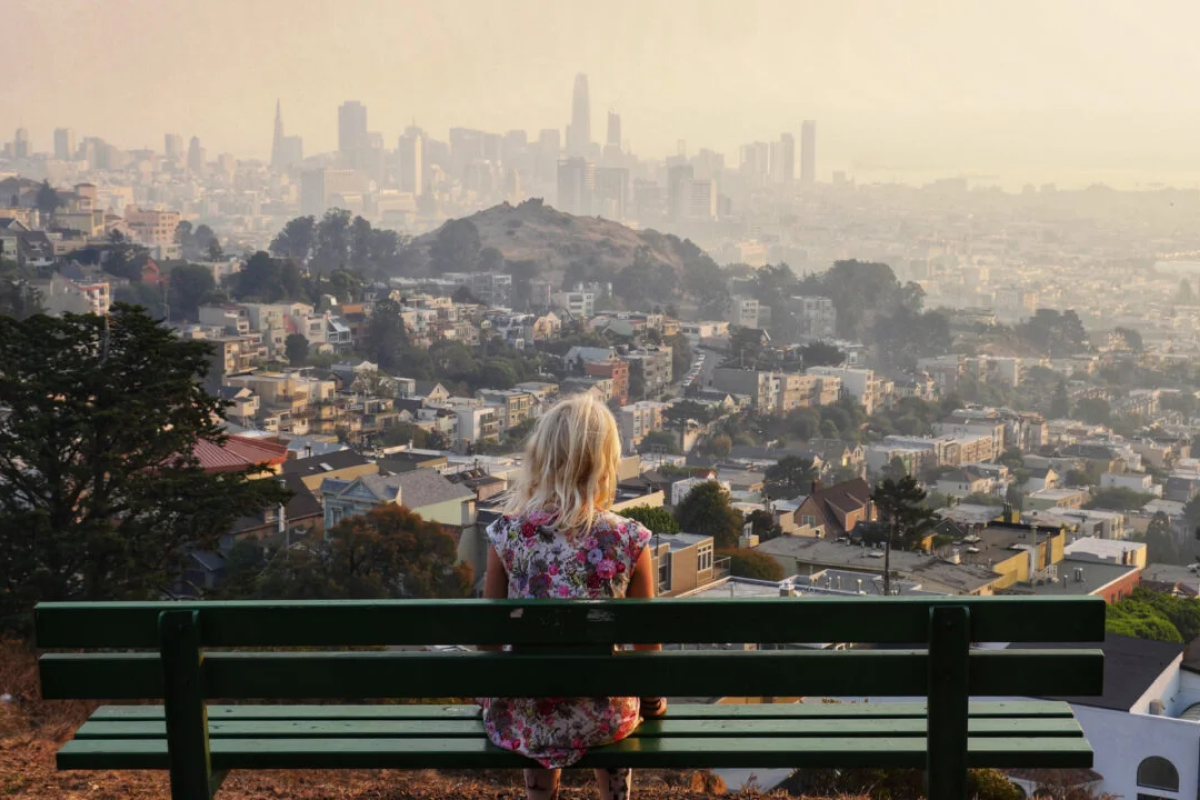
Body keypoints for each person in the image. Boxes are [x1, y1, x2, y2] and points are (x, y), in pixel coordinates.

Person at [481, 393, 666, 800]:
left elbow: (488, 640)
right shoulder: (629, 537)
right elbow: (647, 645)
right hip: (606, 716)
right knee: (615, 702)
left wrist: (487, 698)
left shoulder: (507, 534)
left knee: (534, 701)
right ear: (604, 463)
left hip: (528, 717)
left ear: (542, 457)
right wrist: (652, 701)